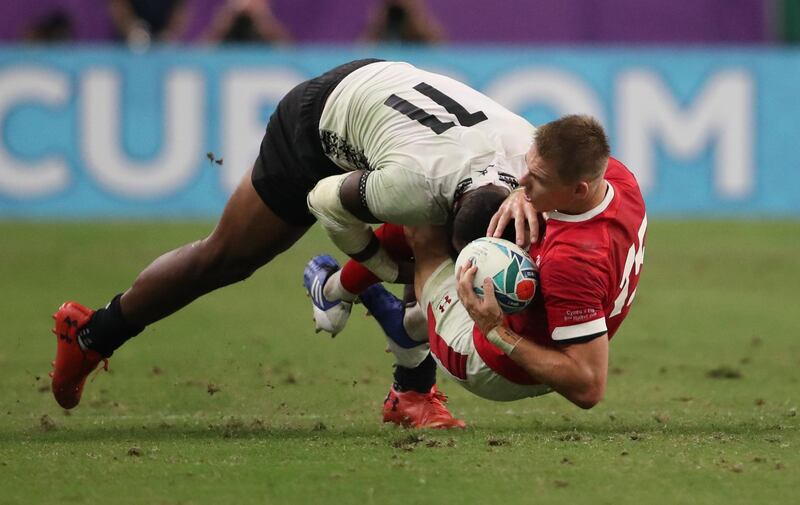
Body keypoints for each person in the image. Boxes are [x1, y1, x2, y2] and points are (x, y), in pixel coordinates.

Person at [49, 60, 538, 420]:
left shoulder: (535, 165)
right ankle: (93, 334)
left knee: (424, 255)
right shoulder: (416, 184)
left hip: (405, 126)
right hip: (319, 120)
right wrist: (386, 270)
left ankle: (409, 389)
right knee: (225, 258)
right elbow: (328, 203)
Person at [321, 115, 646, 423]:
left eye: (538, 179)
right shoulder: (618, 178)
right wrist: (521, 194)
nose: (522, 179)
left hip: (494, 364)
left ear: (579, 191)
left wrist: (497, 332)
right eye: (528, 168)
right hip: (546, 338)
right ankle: (354, 297)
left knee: (425, 216)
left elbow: (588, 386)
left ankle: (371, 310)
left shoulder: (572, 262)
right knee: (478, 207)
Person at [203, 0, 291, 44]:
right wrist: (224, 22)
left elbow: (291, 54)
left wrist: (262, 17)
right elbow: (200, 53)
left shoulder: (271, 17)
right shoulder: (223, 16)